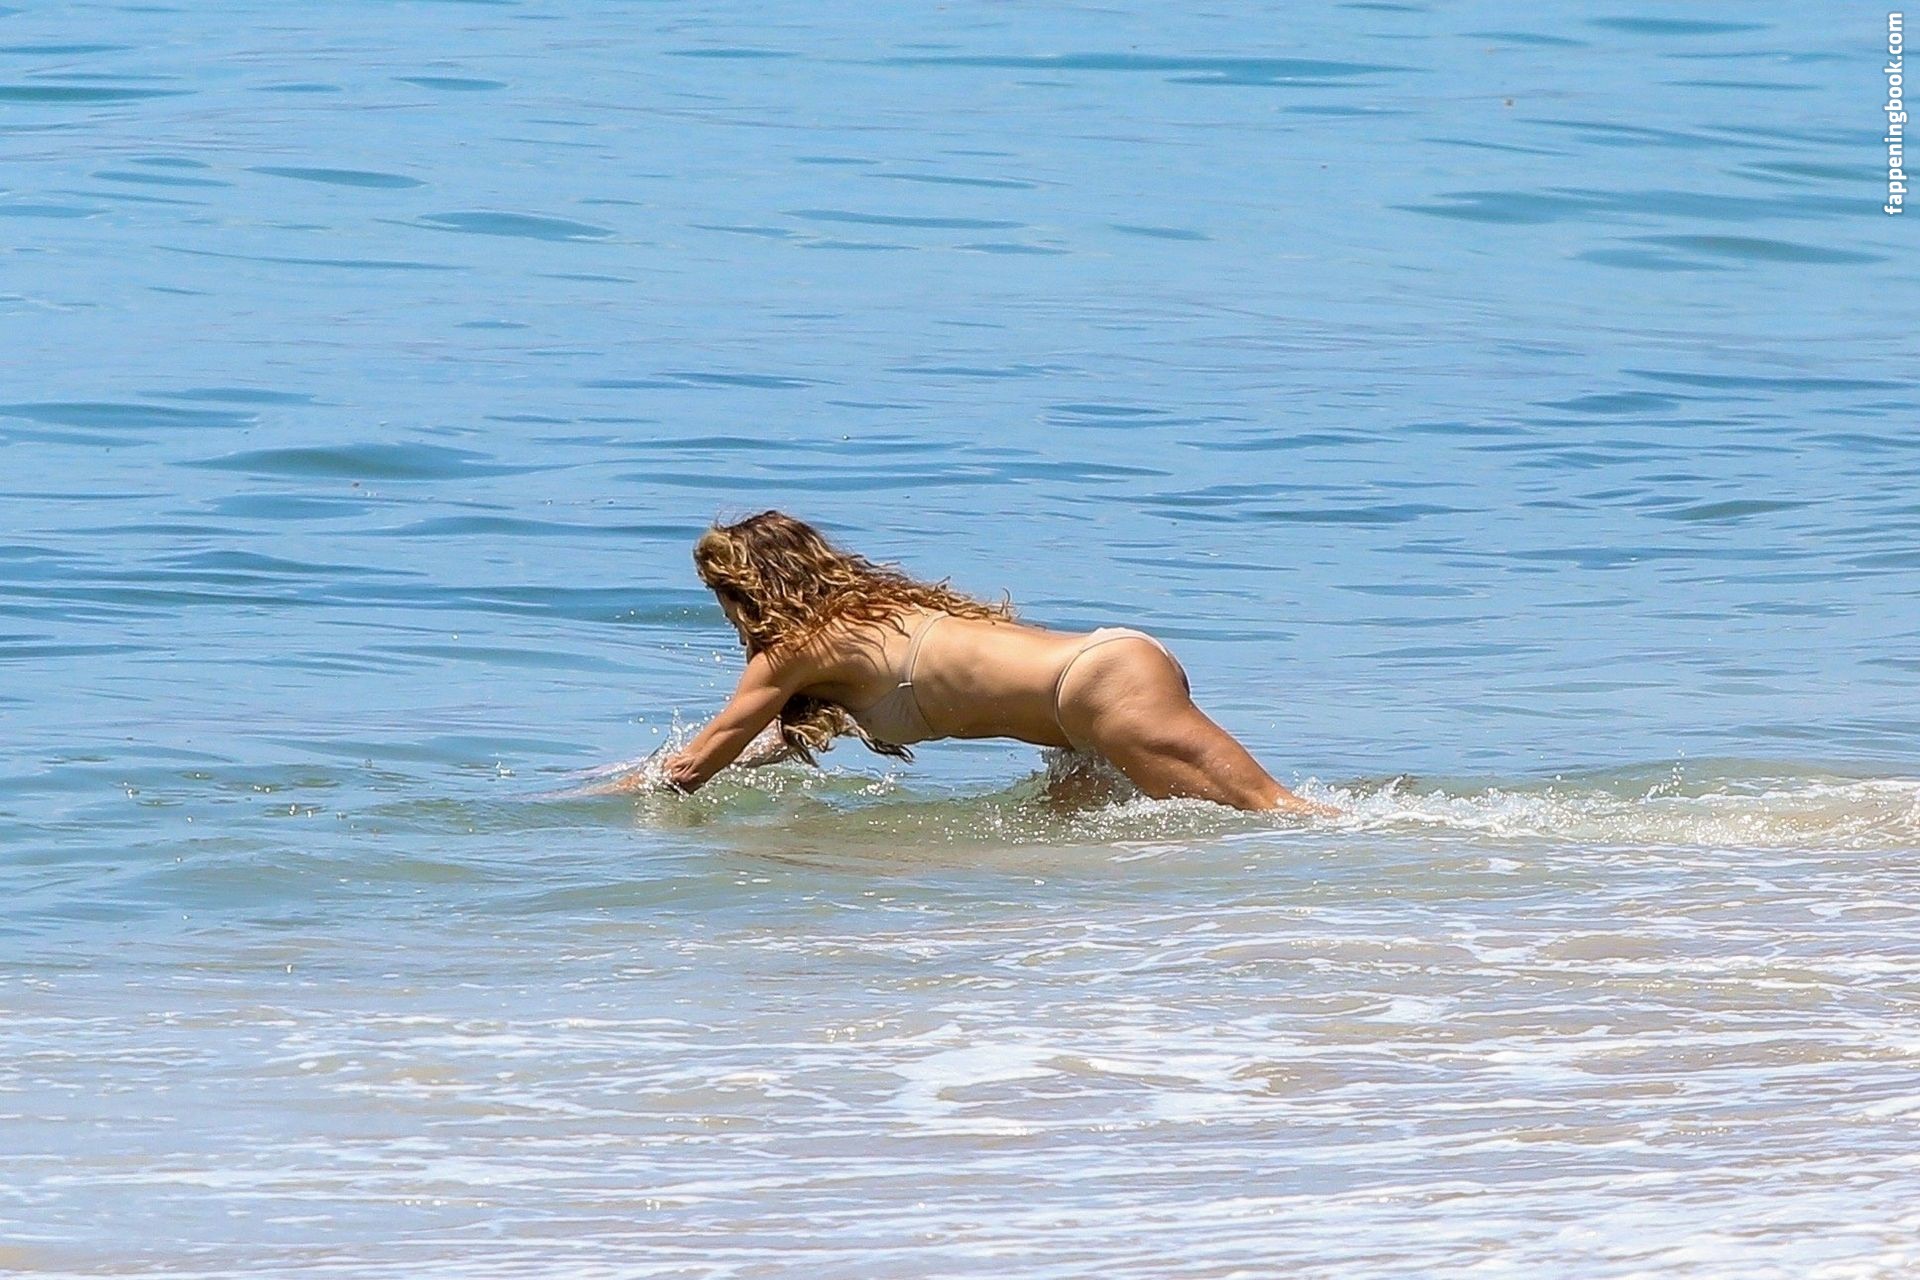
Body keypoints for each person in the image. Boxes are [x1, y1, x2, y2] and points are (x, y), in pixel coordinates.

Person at [649, 511, 1337, 816]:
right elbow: (760, 743)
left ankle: (1390, 853)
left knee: (1276, 813)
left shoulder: (795, 649)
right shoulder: (877, 613)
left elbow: (698, 764)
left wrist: (633, 795)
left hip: (1098, 688)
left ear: (749, 589)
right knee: (1059, 840)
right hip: (1095, 691)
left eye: (722, 595)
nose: (728, 613)